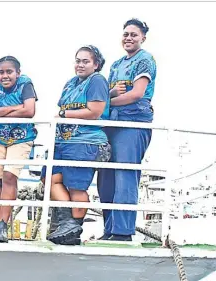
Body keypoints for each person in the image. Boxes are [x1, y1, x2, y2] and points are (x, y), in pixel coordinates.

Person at [98, 18, 157, 241]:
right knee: (106, 178)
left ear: (143, 38)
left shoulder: (145, 60)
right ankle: (109, 229)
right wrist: (110, 96)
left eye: (134, 34)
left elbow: (137, 94)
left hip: (133, 124)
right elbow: (109, 93)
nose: (129, 38)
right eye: (126, 34)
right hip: (112, 123)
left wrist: (106, 103)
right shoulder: (115, 65)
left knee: (125, 174)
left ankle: (122, 232)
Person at [45, 45, 111, 245]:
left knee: (76, 187)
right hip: (63, 140)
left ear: (95, 64)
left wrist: (65, 115)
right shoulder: (71, 83)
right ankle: (68, 224)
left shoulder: (97, 81)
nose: (80, 65)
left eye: (85, 61)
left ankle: (73, 228)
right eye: (78, 61)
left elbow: (95, 111)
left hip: (85, 141)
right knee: (50, 179)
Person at [0, 56, 37, 243]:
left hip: (21, 137)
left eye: (9, 72)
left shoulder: (26, 84)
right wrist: (15, 108)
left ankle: (3, 225)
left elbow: (29, 111)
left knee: (9, 176)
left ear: (18, 73)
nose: (5, 76)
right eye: (1, 72)